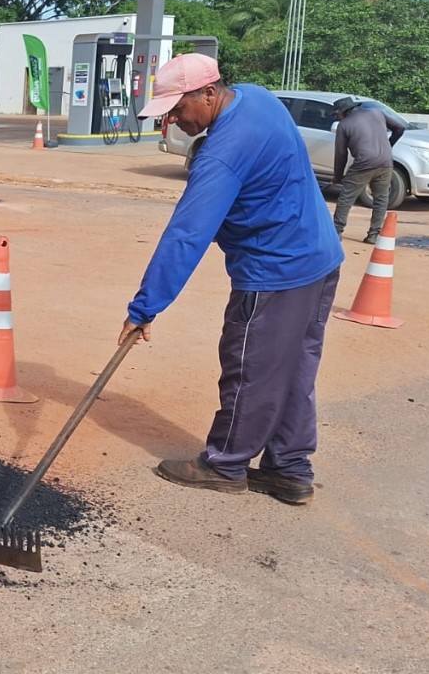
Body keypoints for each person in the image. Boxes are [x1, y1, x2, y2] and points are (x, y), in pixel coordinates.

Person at [121, 53, 344, 506]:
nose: (174, 122)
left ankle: (224, 464)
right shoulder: (258, 99)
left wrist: (144, 307)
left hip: (275, 273)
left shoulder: (221, 155)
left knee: (251, 369)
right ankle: (289, 468)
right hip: (319, 259)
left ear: (208, 92)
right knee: (294, 370)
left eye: (178, 110)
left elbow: (186, 235)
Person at [331, 96, 405, 244]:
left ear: (344, 112)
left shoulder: (344, 125)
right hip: (385, 162)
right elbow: (400, 128)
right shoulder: (377, 113)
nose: (337, 117)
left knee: (346, 199)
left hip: (363, 164)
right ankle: (374, 235)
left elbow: (341, 154)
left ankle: (336, 232)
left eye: (337, 114)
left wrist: (338, 177)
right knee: (381, 199)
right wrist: (388, 146)